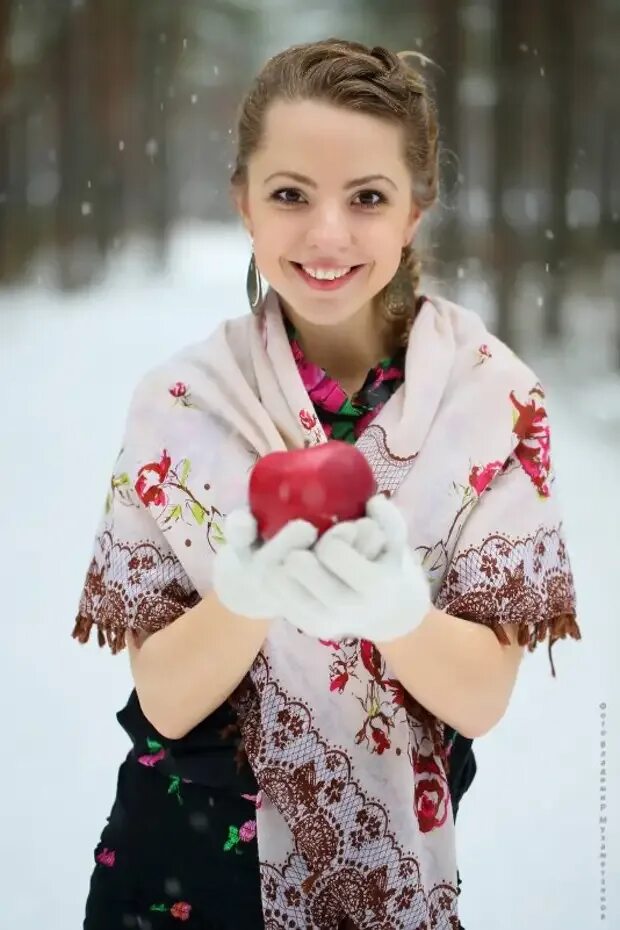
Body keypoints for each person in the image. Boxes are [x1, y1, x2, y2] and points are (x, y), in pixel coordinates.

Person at [73, 38, 581, 930]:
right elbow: (165, 695)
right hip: (179, 876)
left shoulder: (495, 401)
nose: (327, 235)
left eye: (368, 197)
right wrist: (244, 597)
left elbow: (482, 699)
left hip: (390, 881)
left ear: (416, 208)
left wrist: (397, 615)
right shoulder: (179, 404)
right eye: (290, 195)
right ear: (244, 202)